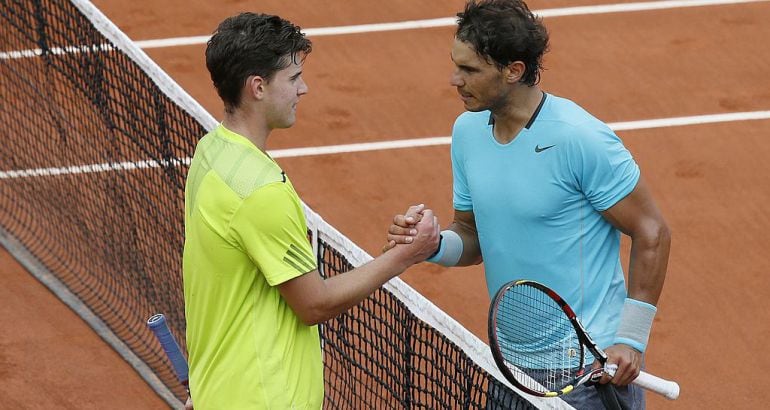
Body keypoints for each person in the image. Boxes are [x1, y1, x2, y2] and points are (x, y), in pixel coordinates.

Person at [384, 0, 671, 408]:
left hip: (586, 373)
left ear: (513, 70)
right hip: (509, 365)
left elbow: (652, 231)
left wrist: (631, 338)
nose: (454, 80)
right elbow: (471, 235)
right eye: (456, 65)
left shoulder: (579, 138)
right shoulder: (467, 131)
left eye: (469, 70)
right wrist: (430, 245)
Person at [182, 12, 440, 409]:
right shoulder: (260, 191)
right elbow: (314, 303)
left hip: (222, 391)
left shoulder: (210, 153)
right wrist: (406, 255)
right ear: (258, 87)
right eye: (292, 78)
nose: (303, 89)